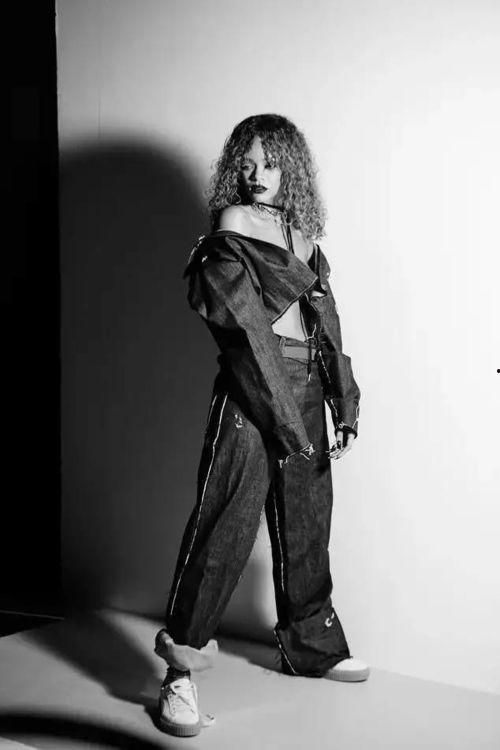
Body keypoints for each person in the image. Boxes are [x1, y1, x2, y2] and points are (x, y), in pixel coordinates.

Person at [153, 114, 368, 738]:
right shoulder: (234, 224)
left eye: (269, 163)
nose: (255, 175)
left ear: (290, 167)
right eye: (245, 163)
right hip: (254, 388)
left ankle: (312, 647)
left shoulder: (303, 233)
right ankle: (179, 675)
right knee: (225, 526)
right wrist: (283, 415)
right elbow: (245, 330)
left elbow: (325, 322)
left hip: (305, 383)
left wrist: (342, 399)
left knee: (307, 522)